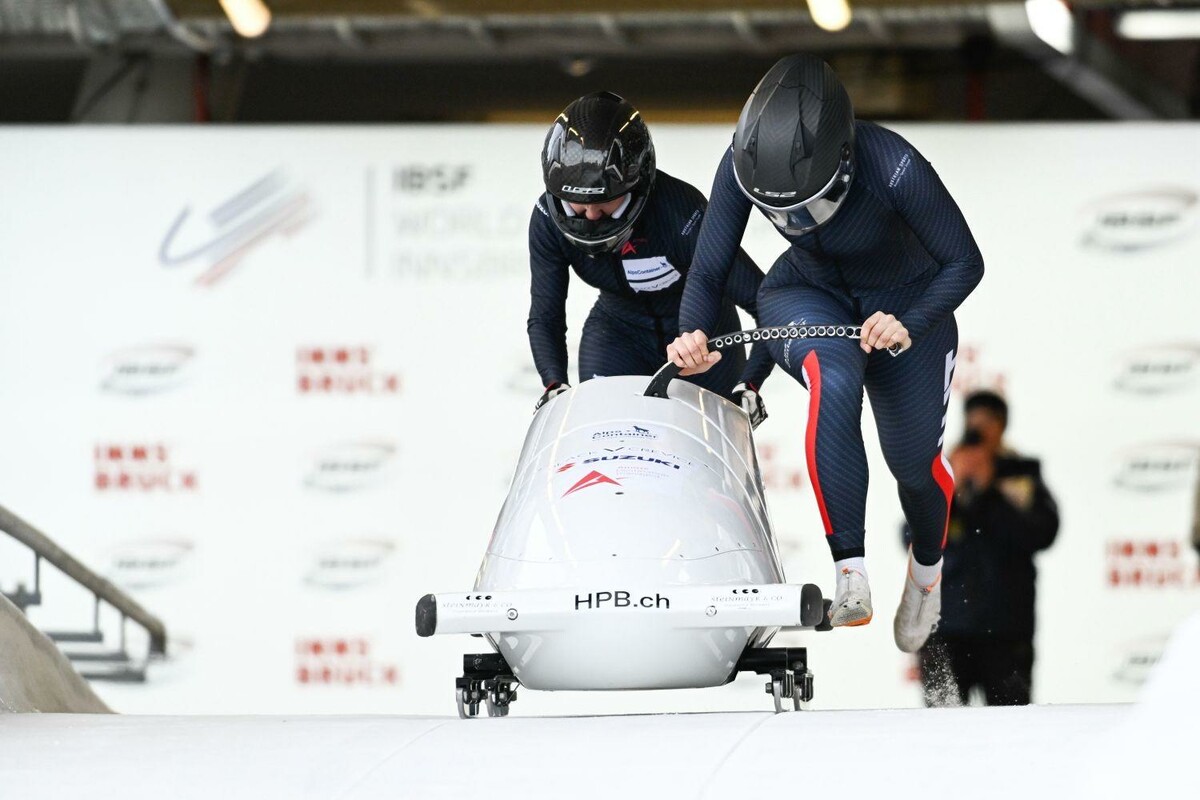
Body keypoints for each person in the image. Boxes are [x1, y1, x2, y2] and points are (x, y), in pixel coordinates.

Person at [666, 55, 985, 652]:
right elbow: (708, 269)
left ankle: (925, 577)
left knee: (913, 467)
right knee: (832, 379)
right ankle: (851, 573)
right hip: (806, 292)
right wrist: (690, 332)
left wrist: (910, 322)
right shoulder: (739, 167)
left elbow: (966, 261)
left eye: (811, 206)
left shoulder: (894, 166)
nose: (797, 222)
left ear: (844, 161)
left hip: (907, 305)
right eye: (782, 213)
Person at [528, 91, 773, 421]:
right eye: (576, 203)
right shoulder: (546, 219)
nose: (590, 215)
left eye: (604, 202)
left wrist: (749, 385)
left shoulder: (681, 213)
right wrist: (554, 384)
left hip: (700, 346)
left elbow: (766, 304)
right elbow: (546, 314)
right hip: (618, 337)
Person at [916, 390, 1059, 705]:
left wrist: (989, 489)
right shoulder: (945, 470)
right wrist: (950, 491)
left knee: (1011, 728)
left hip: (1006, 629)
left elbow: (1043, 533)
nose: (979, 430)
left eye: (988, 422)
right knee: (941, 731)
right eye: (973, 422)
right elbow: (913, 538)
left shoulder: (1021, 474)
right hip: (944, 627)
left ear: (1002, 426)